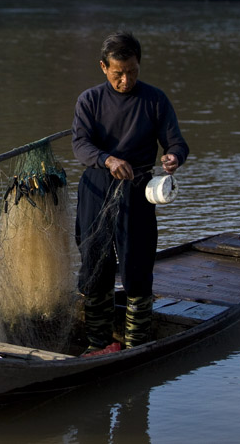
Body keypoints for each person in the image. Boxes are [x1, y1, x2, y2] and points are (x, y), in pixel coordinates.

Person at [71, 32, 189, 355]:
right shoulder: (90, 101)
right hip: (97, 187)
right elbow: (80, 145)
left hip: (138, 190)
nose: (126, 80)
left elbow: (176, 142)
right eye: (118, 73)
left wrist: (173, 157)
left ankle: (137, 345)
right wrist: (107, 160)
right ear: (103, 68)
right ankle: (98, 343)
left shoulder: (155, 101)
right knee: (96, 262)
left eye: (132, 72)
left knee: (137, 267)